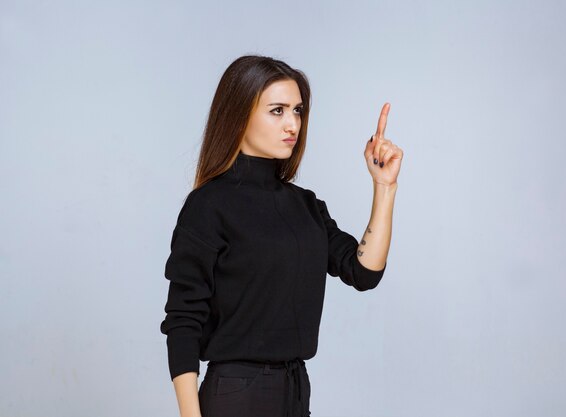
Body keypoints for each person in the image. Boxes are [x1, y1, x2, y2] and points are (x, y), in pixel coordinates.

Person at [159, 55, 403, 417]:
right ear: (240, 115)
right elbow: (183, 320)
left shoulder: (305, 205)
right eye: (277, 111)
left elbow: (364, 272)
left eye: (298, 111)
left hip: (295, 388)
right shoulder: (209, 205)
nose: (292, 124)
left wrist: (384, 187)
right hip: (236, 394)